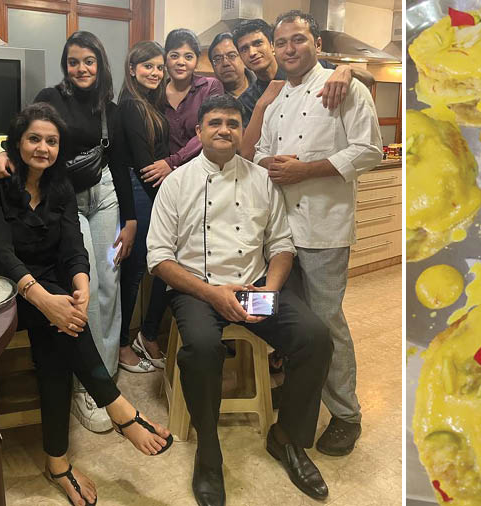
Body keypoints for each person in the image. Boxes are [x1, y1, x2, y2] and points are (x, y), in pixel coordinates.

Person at [0, 103, 172, 506]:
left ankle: (59, 461)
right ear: (17, 142)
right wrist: (46, 301)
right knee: (59, 321)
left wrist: (81, 286)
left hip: (42, 281)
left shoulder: (59, 186)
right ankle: (117, 411)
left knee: (62, 331)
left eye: (51, 141)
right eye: (34, 139)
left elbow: (73, 244)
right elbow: (0, 252)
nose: (43, 148)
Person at [147, 94, 333, 504]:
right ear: (199, 131)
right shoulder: (176, 183)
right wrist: (211, 293)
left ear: (241, 130)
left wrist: (270, 289)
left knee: (315, 338)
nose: (224, 130)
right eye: (215, 123)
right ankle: (209, 454)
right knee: (202, 348)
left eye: (233, 123)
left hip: (253, 289)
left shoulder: (261, 179)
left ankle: (286, 438)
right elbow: (158, 258)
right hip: (198, 290)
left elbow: (282, 245)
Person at [0, 31, 133, 434]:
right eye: (73, 61)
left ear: (100, 64)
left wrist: (132, 219)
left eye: (89, 61)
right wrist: (2, 152)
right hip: (66, 199)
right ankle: (82, 380)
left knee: (109, 281)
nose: (81, 68)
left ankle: (100, 379)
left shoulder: (111, 107)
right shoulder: (51, 96)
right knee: (80, 279)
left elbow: (119, 164)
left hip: (104, 198)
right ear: (65, 65)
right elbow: (24, 134)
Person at [252, 11, 383, 457]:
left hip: (324, 228)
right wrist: (275, 165)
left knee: (327, 322)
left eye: (298, 40)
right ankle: (302, 403)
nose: (289, 49)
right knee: (300, 326)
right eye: (282, 42)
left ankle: (347, 414)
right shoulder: (277, 101)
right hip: (283, 233)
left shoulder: (346, 88)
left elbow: (369, 150)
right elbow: (265, 154)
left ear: (317, 43)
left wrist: (305, 169)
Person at [126, 29, 225, 369]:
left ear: (196, 60)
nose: (180, 62)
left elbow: (207, 131)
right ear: (165, 59)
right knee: (160, 258)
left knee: (192, 257)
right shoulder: (155, 93)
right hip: (164, 189)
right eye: (174, 55)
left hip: (205, 181)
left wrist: (172, 162)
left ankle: (199, 329)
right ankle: (147, 332)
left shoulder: (209, 87)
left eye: (188, 56)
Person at [232, 19, 376, 160]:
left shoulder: (307, 66)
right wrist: (261, 105)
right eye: (244, 49)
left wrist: (346, 69)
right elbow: (247, 154)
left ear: (271, 46)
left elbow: (369, 79)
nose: (252, 52)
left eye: (258, 43)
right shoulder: (247, 100)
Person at [114, 40, 170, 373]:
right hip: (140, 192)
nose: (155, 72)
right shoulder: (132, 107)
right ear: (133, 69)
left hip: (147, 191)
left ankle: (144, 336)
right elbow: (143, 164)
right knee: (133, 272)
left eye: (159, 67)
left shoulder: (148, 104)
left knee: (157, 267)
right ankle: (123, 345)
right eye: (148, 65)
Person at [208, 32, 257, 126]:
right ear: (212, 66)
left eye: (232, 55)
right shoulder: (210, 98)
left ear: (243, 57)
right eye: (217, 59)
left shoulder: (264, 87)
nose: (225, 63)